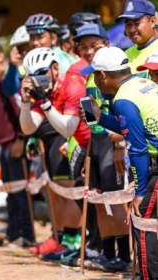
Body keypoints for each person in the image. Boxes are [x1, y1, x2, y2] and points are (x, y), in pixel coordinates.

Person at [81, 45, 157, 280]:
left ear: (103, 75)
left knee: (144, 226)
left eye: (94, 75)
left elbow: (138, 148)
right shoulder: (145, 85)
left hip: (154, 163)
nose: (94, 81)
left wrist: (140, 191)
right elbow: (135, 129)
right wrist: (101, 117)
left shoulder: (123, 99)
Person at [20, 47, 90, 262]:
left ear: (55, 68)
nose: (39, 80)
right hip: (78, 144)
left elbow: (67, 128)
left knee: (84, 195)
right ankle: (70, 244)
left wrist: (46, 104)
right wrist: (25, 102)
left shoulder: (72, 85)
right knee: (73, 193)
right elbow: (28, 128)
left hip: (94, 141)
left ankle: (91, 246)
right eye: (33, 77)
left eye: (42, 73)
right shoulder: (48, 92)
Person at [73, 24, 131, 272]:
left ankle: (124, 256)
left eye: (94, 45)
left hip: (112, 143)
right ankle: (107, 253)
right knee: (98, 200)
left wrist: (119, 144)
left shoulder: (112, 74)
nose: (88, 50)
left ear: (106, 44)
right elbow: (90, 117)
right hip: (94, 144)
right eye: (83, 47)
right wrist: (87, 146)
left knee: (116, 200)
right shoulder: (88, 74)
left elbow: (120, 115)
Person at [0, 38, 35, 247]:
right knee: (10, 193)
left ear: (0, 56)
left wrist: (21, 139)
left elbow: (21, 110)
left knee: (21, 193)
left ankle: (27, 236)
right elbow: (0, 117)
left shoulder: (7, 80)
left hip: (15, 143)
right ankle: (13, 233)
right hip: (3, 144)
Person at [117, 0, 158, 77]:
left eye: (136, 23)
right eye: (128, 24)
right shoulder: (125, 55)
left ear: (153, 21)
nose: (132, 29)